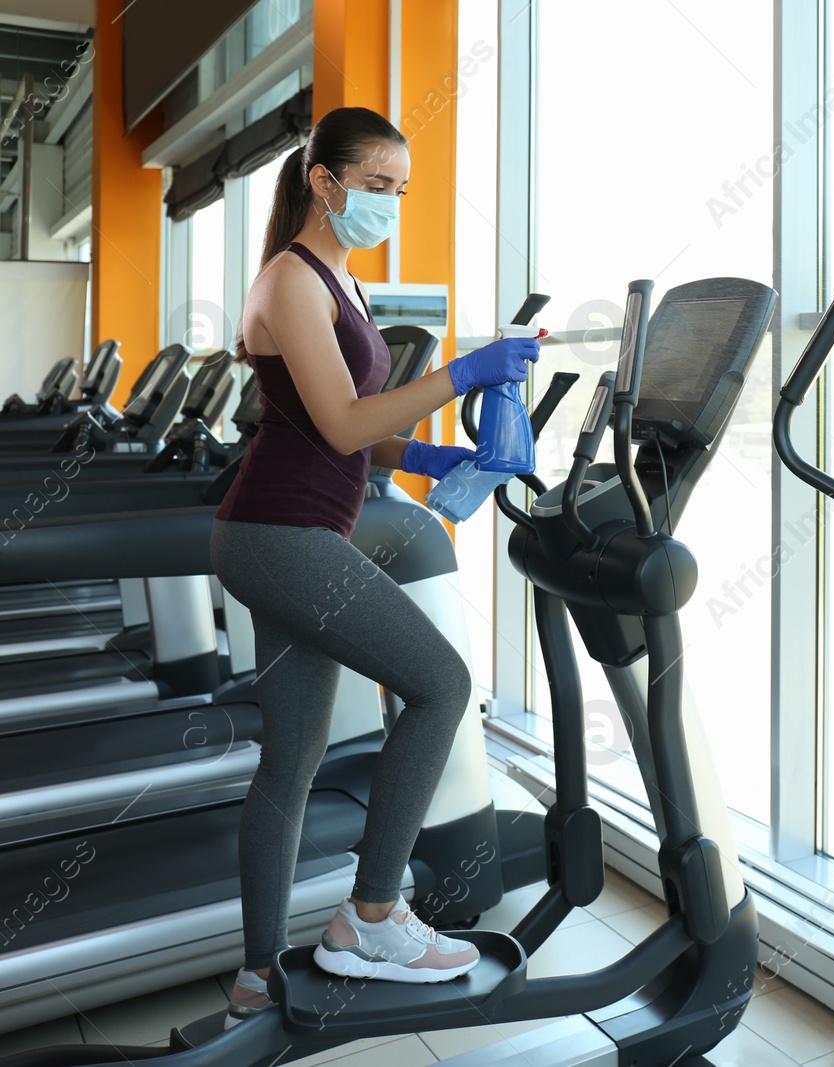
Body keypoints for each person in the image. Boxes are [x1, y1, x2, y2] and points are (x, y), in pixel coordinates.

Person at [208, 107, 540, 1028]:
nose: (392, 203)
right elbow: (342, 424)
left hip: (292, 526)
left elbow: (347, 428)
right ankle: (373, 914)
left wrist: (429, 457)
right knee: (441, 685)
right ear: (326, 181)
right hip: (281, 535)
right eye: (380, 186)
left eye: (401, 188)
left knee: (293, 755)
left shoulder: (338, 279)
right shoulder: (288, 280)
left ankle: (253, 978)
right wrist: (467, 373)